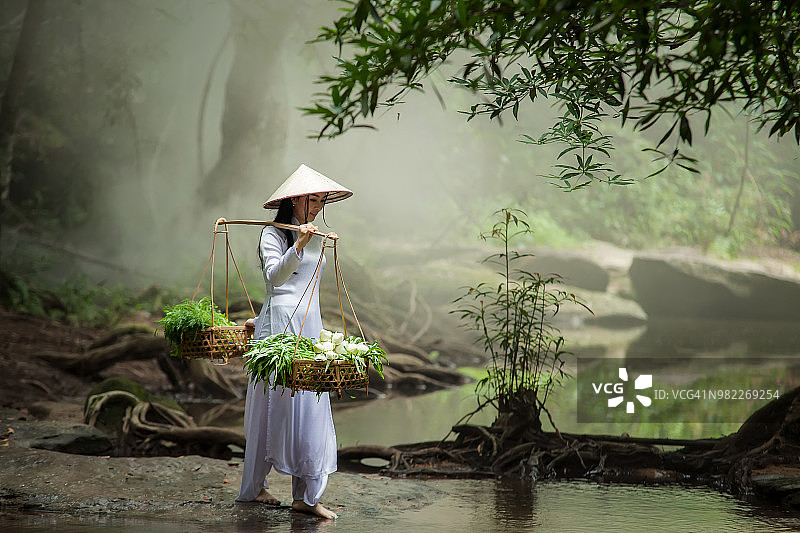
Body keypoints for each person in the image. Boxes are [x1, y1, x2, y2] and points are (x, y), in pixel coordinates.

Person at [236, 164, 352, 520]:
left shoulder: (315, 235)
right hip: (279, 330)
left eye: (321, 201)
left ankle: (305, 495)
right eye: (311, 200)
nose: (316, 207)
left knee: (308, 404)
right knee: (272, 405)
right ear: (294, 201)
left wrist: (307, 240)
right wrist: (298, 244)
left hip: (307, 323)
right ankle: (255, 488)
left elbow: (306, 288)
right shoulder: (271, 235)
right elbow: (276, 277)